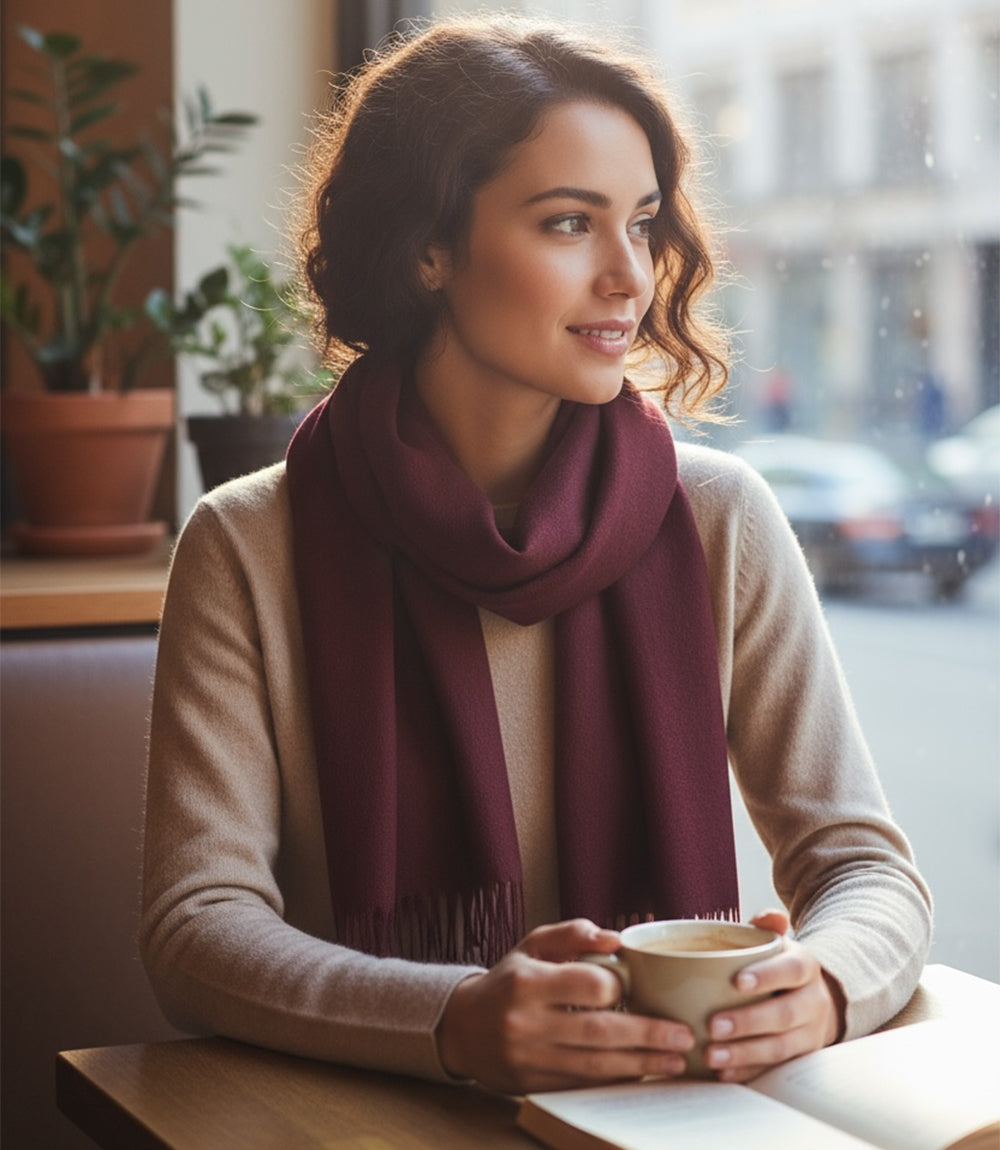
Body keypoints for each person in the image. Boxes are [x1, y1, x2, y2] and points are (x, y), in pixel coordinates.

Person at [140, 15, 931, 1096]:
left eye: (643, 225)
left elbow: (863, 869)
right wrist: (454, 1018)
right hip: (367, 1116)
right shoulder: (249, 541)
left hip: (671, 1113)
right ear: (428, 247)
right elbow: (196, 927)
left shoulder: (718, 517)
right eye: (569, 223)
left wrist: (824, 984)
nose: (629, 278)